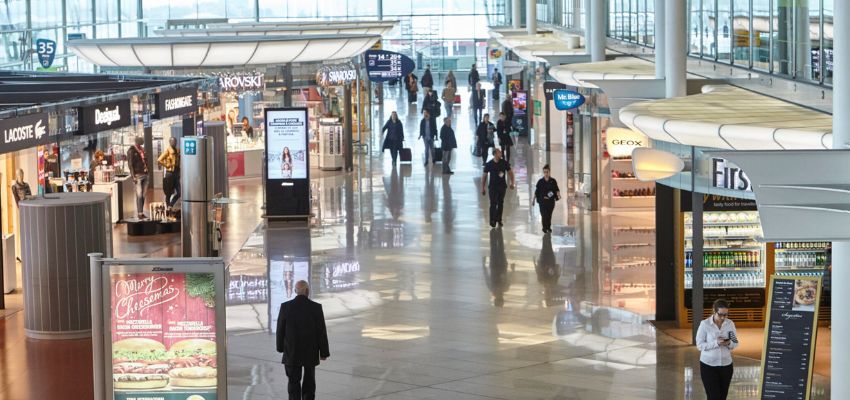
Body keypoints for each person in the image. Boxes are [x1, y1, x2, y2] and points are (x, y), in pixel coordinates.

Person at [276, 280, 330, 400]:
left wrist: (280, 348)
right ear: (307, 291)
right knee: (309, 382)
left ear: (295, 291)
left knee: (293, 382)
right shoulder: (316, 307)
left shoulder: (285, 307)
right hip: (310, 352)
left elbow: (280, 330)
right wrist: (324, 352)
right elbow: (321, 332)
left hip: (291, 351)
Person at [696, 299, 738, 400]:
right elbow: (699, 345)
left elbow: (735, 342)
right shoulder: (705, 324)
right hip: (708, 366)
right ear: (714, 311)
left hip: (726, 366)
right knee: (713, 397)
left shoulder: (730, 324)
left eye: (726, 315)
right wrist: (716, 343)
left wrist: (729, 343)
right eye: (720, 314)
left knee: (722, 397)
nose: (723, 317)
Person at [481, 148, 515, 228]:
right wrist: (483, 188)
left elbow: (511, 173)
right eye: (499, 152)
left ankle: (499, 220)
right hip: (492, 187)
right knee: (493, 203)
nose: (501, 154)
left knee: (500, 203)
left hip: (502, 187)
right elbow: (484, 176)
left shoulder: (504, 163)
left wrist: (512, 183)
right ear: (495, 154)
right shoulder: (489, 164)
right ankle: (492, 220)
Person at [533, 165, 561, 233]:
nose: (546, 173)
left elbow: (556, 189)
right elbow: (536, 192)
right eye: (544, 172)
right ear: (543, 172)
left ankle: (548, 227)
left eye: (547, 172)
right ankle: (544, 228)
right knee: (544, 215)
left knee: (549, 215)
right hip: (542, 201)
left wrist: (558, 195)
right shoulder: (540, 181)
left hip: (550, 202)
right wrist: (533, 200)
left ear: (549, 172)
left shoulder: (553, 181)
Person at [127, 136, 149, 219]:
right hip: (138, 176)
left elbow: (145, 161)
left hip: (146, 174)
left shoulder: (142, 150)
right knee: (139, 195)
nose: (142, 141)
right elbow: (130, 164)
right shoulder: (131, 151)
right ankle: (140, 213)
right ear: (137, 141)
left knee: (143, 195)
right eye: (140, 140)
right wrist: (133, 176)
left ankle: (141, 211)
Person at [157, 138, 180, 209]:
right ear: (170, 142)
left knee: (179, 192)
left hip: (176, 173)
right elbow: (159, 160)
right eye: (172, 141)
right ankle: (168, 207)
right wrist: (167, 165)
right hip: (169, 173)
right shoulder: (167, 151)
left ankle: (171, 205)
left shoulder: (178, 150)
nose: (174, 143)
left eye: (175, 141)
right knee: (168, 193)